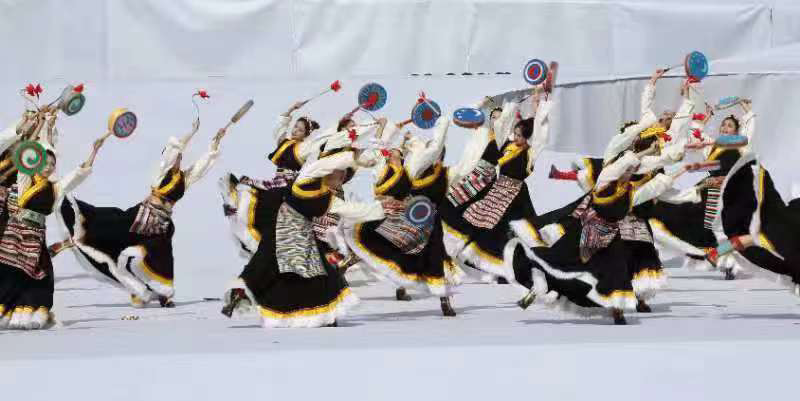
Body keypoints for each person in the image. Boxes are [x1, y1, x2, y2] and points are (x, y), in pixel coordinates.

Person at [55, 122, 224, 308]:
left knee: (161, 256)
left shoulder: (184, 179)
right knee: (110, 226)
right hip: (142, 215)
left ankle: (161, 293)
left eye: (180, 157)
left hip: (161, 222)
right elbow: (171, 153)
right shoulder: (162, 174)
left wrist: (214, 144)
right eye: (176, 156)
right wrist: (190, 132)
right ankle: (78, 237)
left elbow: (200, 167)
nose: (178, 159)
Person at [222, 143, 384, 328]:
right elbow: (323, 167)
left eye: (344, 174)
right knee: (278, 271)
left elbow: (351, 211)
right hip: (286, 232)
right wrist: (352, 156)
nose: (341, 176)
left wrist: (381, 209)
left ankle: (320, 315)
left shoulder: (331, 196)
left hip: (302, 237)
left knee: (306, 275)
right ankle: (244, 294)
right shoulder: (308, 179)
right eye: (338, 172)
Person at [1, 136, 104, 330]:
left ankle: (31, 313)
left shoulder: (54, 187)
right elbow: (27, 156)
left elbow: (75, 176)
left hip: (36, 236)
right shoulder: (25, 179)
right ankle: (7, 311)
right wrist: (40, 127)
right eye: (45, 163)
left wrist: (94, 152)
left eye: (52, 164)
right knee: (11, 273)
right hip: (16, 234)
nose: (49, 167)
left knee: (42, 276)